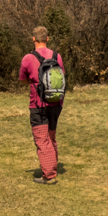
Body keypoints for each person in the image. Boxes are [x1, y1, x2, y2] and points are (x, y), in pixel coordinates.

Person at [19, 26, 64, 184]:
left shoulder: (28, 58)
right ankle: (52, 166)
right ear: (47, 38)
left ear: (33, 39)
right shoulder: (57, 56)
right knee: (51, 136)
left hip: (38, 103)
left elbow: (23, 79)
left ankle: (49, 175)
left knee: (41, 139)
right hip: (57, 102)